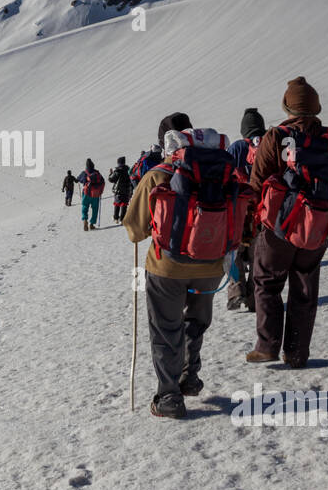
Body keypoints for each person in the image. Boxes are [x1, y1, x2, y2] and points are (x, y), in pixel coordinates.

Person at [124, 112, 227, 419]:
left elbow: (134, 229)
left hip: (166, 268)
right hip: (211, 265)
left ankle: (169, 395)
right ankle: (189, 376)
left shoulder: (158, 174)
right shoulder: (219, 169)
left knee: (166, 328)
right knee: (195, 321)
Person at [246, 78, 328, 368]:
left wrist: (252, 220)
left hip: (278, 225)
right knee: (305, 288)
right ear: (315, 107)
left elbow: (257, 181)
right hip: (317, 224)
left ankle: (267, 346)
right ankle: (297, 353)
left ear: (286, 106)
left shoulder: (276, 136)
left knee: (267, 283)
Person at [225, 108, 265, 312]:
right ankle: (254, 299)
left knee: (233, 254)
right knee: (259, 257)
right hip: (263, 215)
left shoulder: (237, 148)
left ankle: (236, 290)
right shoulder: (269, 145)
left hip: (238, 213)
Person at [77, 159, 105, 231]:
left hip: (86, 193)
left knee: (85, 206)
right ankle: (92, 224)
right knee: (95, 209)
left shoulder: (84, 173)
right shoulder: (97, 173)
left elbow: (78, 179)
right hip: (96, 194)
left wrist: (83, 180)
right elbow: (103, 181)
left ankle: (85, 220)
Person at [108, 157, 132, 223]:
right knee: (124, 205)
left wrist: (111, 173)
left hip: (118, 191)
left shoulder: (117, 171)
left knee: (117, 204)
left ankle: (116, 218)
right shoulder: (128, 170)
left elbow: (110, 179)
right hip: (126, 190)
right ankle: (122, 219)